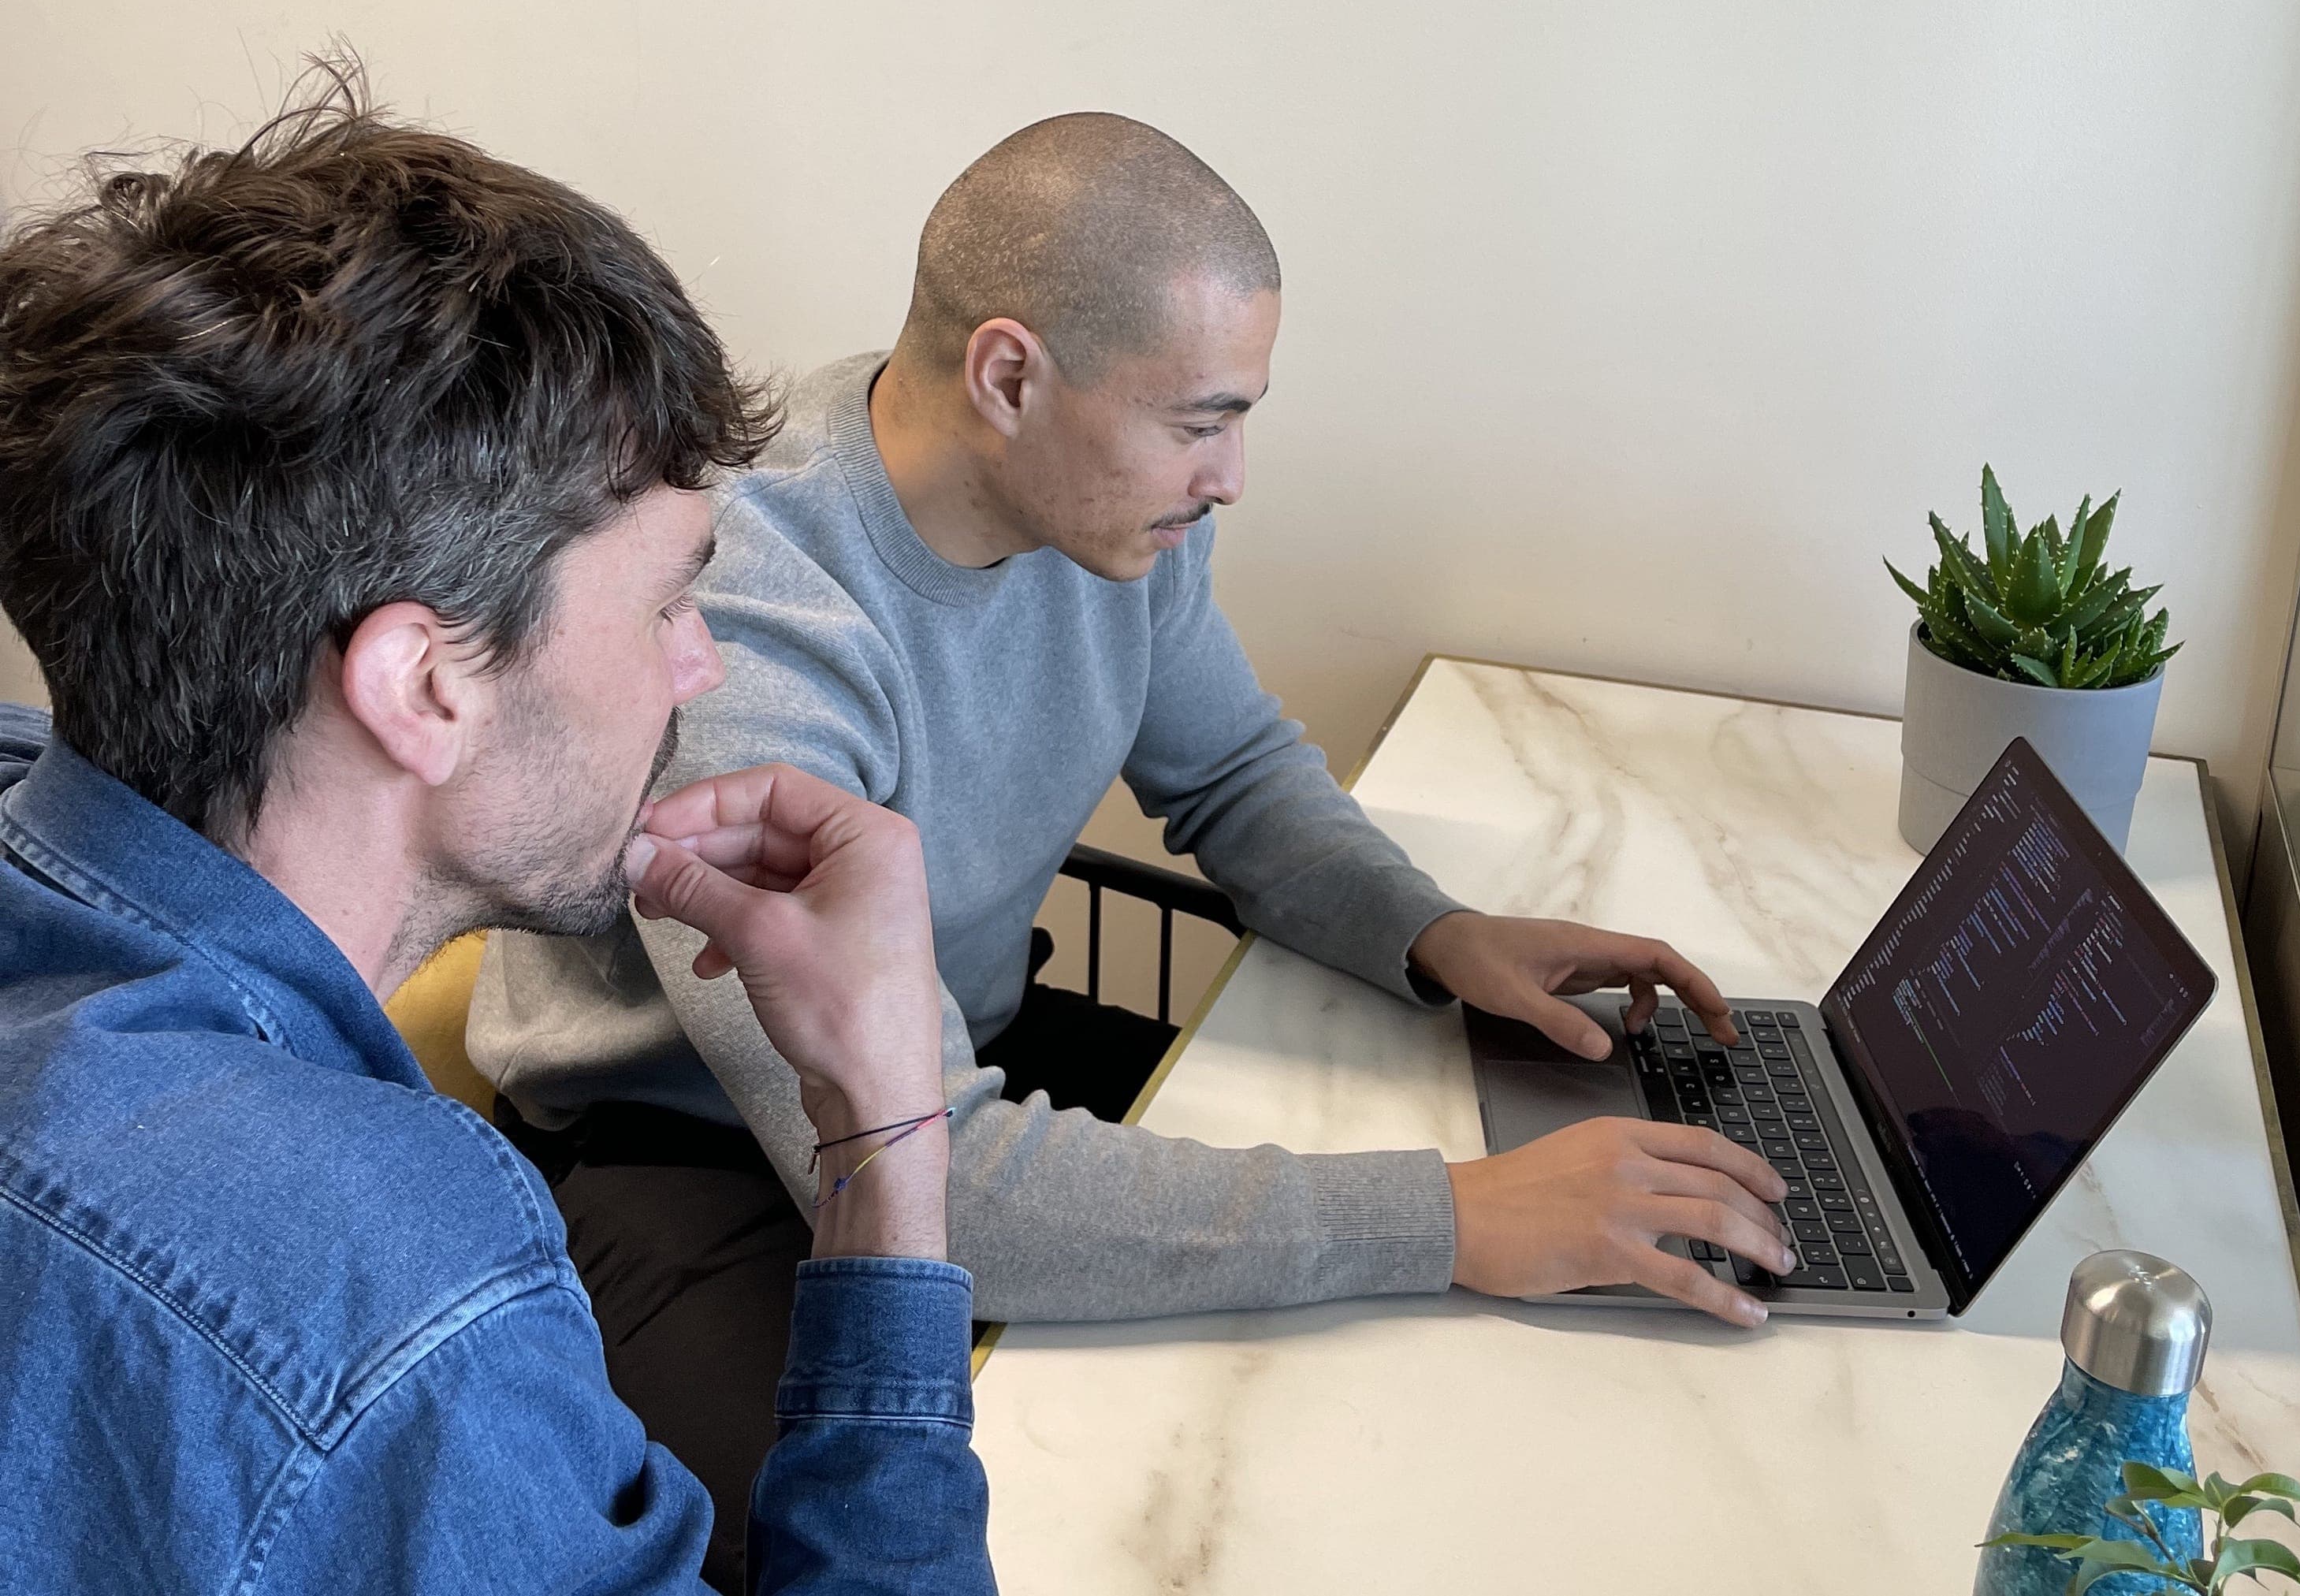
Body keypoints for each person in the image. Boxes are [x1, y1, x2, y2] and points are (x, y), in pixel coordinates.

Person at [471, 112, 1794, 1553]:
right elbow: (936, 1176)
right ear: (1010, 376)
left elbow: (1228, 772)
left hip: (955, 1066)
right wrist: (1454, 1218)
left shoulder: (1115, 520)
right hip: (686, 1155)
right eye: (1201, 418)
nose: (1228, 475)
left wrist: (1435, 932)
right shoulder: (748, 617)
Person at [0, 76, 992, 1595]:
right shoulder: (391, 1306)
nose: (698, 664)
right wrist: (883, 1128)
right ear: (423, 682)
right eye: (666, 598)